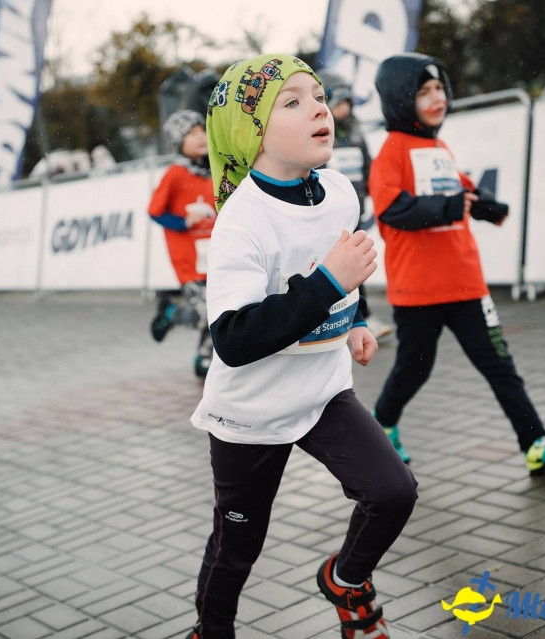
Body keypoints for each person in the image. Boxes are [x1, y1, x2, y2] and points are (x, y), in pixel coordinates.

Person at [185, 54, 417, 639]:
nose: (318, 109)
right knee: (238, 547)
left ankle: (346, 579)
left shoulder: (339, 191)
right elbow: (233, 339)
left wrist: (352, 318)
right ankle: (211, 631)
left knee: (393, 493)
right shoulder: (242, 222)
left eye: (317, 97)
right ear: (251, 132)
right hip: (250, 412)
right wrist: (330, 286)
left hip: (322, 392)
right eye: (292, 102)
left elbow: (340, 271)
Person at [368, 52, 545, 474]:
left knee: (500, 365)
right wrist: (447, 207)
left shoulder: (439, 147)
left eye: (440, 89)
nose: (437, 98)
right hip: (418, 291)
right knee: (413, 370)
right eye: (424, 92)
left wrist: (486, 205)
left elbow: (462, 190)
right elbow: (392, 209)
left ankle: (536, 443)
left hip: (466, 284)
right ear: (400, 99)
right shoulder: (391, 152)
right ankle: (383, 425)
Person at [321, 70, 395, 340]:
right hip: (328, 215)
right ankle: (357, 317)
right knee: (338, 266)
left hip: (355, 213)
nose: (343, 109)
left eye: (347, 103)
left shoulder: (355, 133)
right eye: (338, 103)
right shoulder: (321, 134)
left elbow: (368, 170)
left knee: (356, 265)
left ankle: (358, 317)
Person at [148, 109, 217, 377]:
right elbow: (155, 211)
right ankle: (172, 313)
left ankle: (204, 359)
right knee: (206, 314)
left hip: (215, 256)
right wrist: (184, 222)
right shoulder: (175, 174)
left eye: (202, 130)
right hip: (189, 261)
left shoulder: (214, 170)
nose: (200, 137)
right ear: (179, 142)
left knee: (219, 311)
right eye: (191, 133)